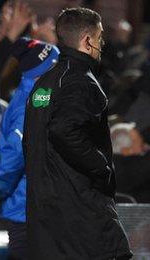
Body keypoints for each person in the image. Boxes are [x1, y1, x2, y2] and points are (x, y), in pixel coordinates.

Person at [23, 7, 132, 259]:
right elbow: (64, 131)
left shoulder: (44, 83)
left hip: (44, 213)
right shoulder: (81, 81)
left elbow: (30, 142)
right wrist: (101, 168)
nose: (102, 44)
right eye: (100, 37)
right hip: (80, 212)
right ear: (87, 40)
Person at [0, 38, 59, 260]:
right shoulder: (29, 105)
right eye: (56, 63)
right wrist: (1, 191)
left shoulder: (45, 96)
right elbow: (13, 158)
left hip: (39, 209)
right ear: (43, 69)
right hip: (28, 211)